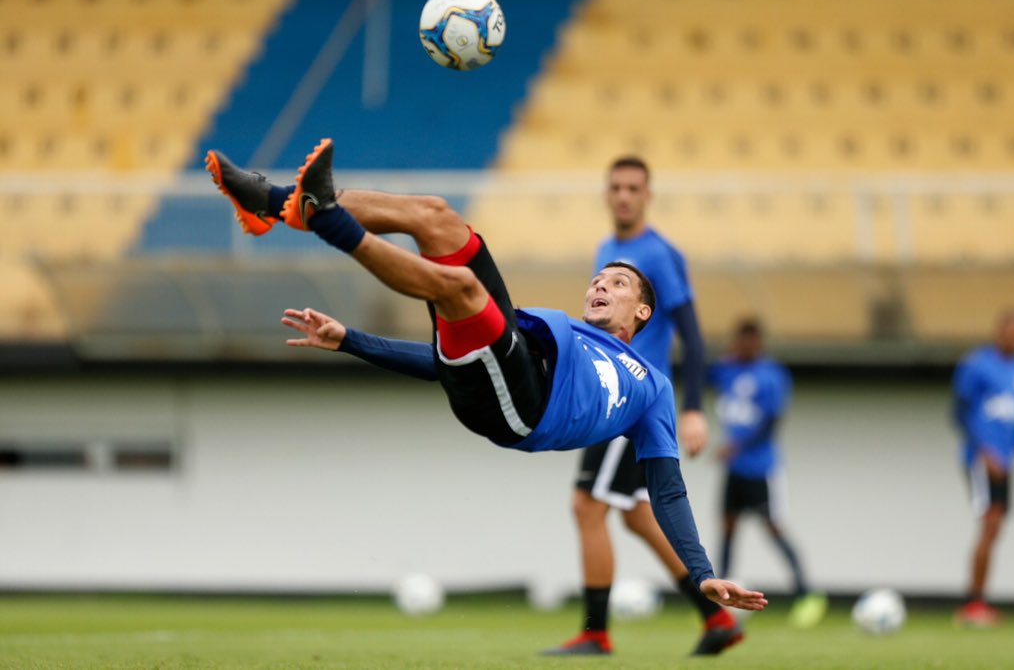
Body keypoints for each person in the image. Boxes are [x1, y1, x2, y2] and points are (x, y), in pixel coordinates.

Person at [204, 141, 768, 635]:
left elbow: (666, 490)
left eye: (617, 283)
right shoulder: (564, 329)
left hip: (524, 407)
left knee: (461, 288)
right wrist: (348, 339)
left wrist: (703, 574)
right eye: (598, 278)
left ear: (641, 311)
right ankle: (278, 202)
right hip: (511, 358)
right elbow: (447, 362)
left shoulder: (651, 388)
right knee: (438, 218)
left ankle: (325, 217)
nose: (601, 283)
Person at [543, 157, 740, 658]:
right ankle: (715, 615)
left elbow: (693, 336)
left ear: (647, 195)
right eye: (616, 187)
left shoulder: (659, 253)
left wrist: (693, 408)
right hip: (609, 390)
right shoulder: (608, 251)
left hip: (630, 401)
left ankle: (595, 633)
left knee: (587, 506)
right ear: (607, 194)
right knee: (634, 515)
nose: (624, 196)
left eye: (633, 188)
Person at [710, 318, 826, 628]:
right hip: (734, 471)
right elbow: (701, 375)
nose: (745, 345)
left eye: (751, 340)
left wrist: (737, 445)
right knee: (728, 529)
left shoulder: (772, 375)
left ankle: (807, 594)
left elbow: (772, 422)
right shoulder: (726, 369)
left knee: (774, 528)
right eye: (740, 339)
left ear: (758, 342)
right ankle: (722, 600)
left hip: (762, 468)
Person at [952, 309, 1014, 627]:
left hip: (1006, 461)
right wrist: (985, 451)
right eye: (1012, 328)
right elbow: (959, 412)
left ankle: (978, 601)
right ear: (1000, 331)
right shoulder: (978, 364)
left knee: (996, 526)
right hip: (984, 460)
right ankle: (973, 603)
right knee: (990, 523)